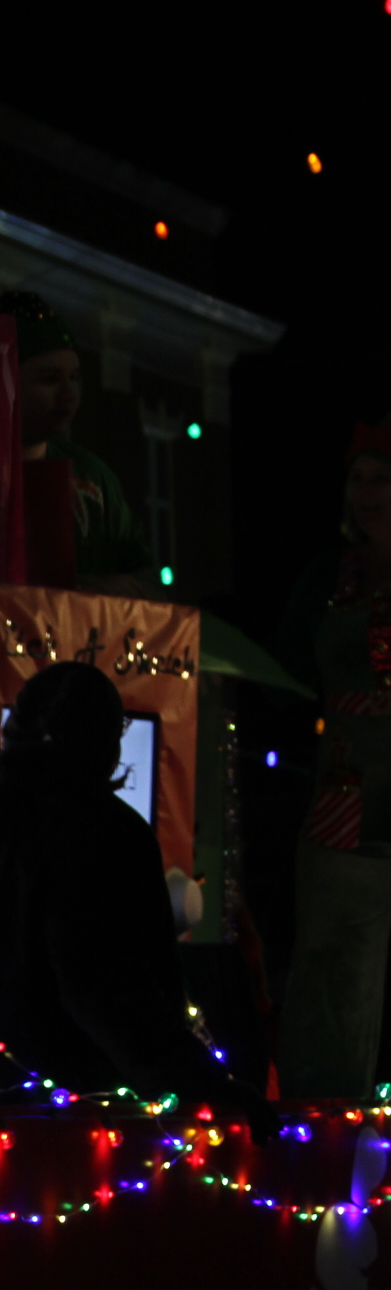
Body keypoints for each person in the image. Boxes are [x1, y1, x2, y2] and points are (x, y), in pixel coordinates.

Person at [0, 661, 258, 1115]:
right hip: (55, 1131)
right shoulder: (106, 833)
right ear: (106, 744)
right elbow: (114, 1001)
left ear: (12, 729)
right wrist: (210, 1086)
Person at [276, 427, 391, 1098]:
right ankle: (326, 1123)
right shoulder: (328, 575)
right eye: (359, 478)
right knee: (332, 962)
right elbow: (287, 672)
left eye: (383, 478)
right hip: (345, 788)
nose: (367, 493)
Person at [0, 289, 153, 594]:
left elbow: (145, 574)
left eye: (75, 378)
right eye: (50, 379)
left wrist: (124, 589)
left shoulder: (93, 478)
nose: (68, 394)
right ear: (8, 381)